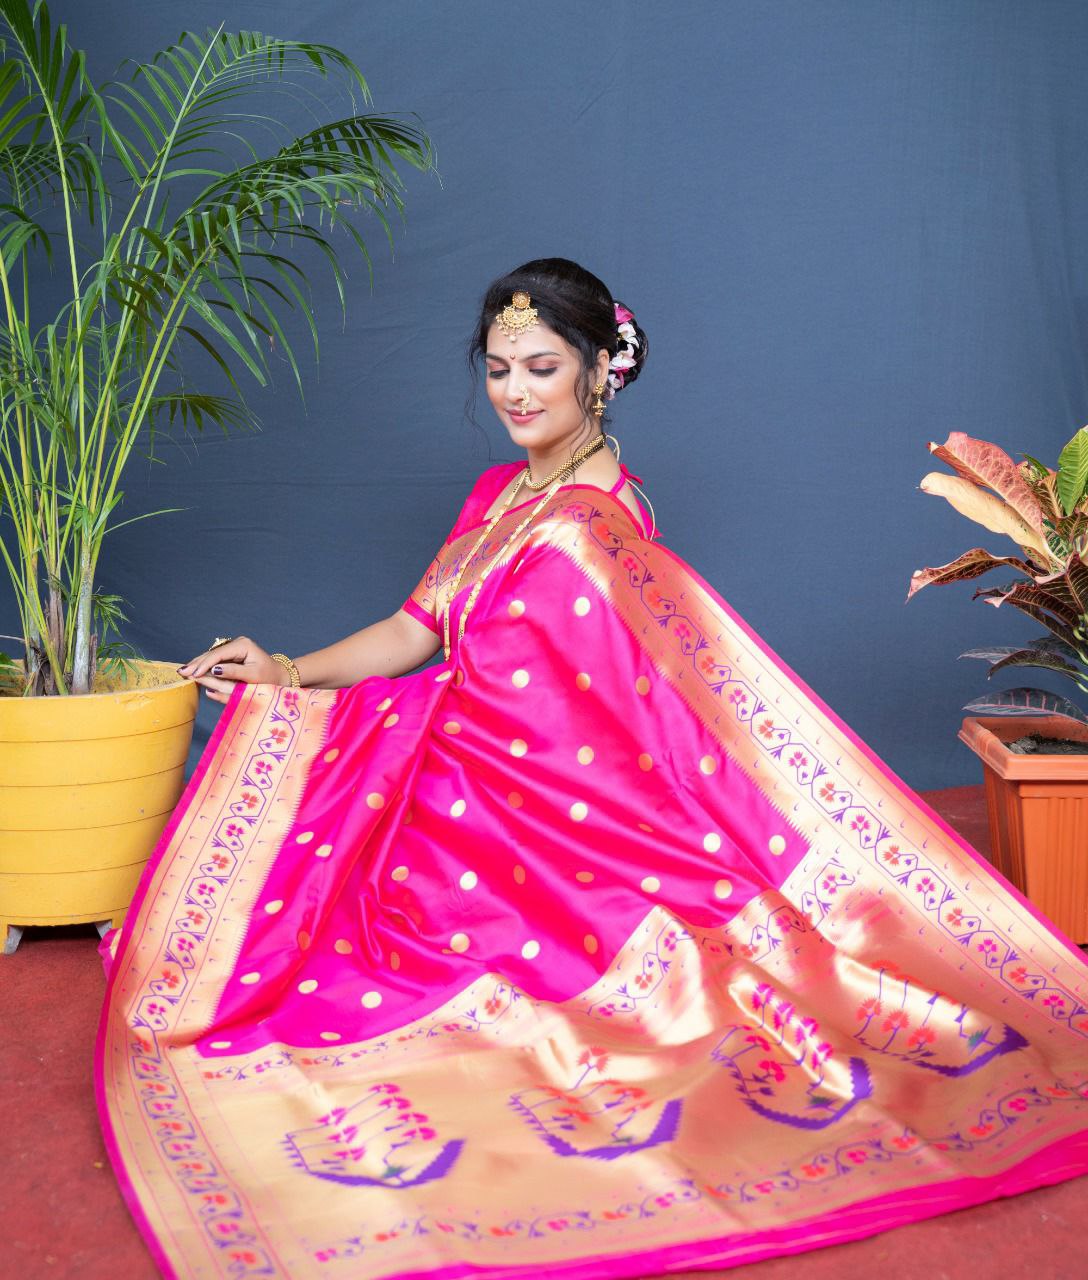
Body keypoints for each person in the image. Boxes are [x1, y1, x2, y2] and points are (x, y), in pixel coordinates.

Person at [97, 259, 1088, 1280]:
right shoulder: (501, 492)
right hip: (463, 775)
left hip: (544, 814)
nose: (515, 392)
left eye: (540, 367)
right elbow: (413, 630)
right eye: (497, 369)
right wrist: (288, 672)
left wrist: (369, 728)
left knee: (345, 925)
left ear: (599, 371)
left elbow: (563, 717)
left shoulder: (597, 522)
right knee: (311, 889)